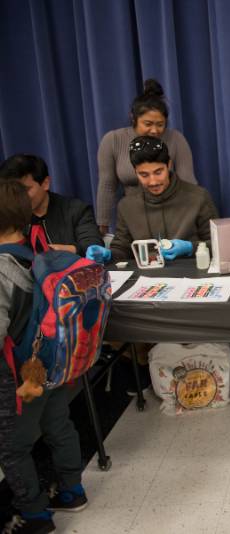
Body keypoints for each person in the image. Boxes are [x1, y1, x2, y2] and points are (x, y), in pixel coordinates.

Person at [1, 181, 86, 534]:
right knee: (58, 425)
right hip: (53, 363)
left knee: (14, 448)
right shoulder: (36, 252)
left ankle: (34, 514)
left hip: (20, 379)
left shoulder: (1, 269)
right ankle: (72, 490)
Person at [86, 135, 218, 263]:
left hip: (194, 274)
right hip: (147, 278)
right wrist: (109, 255)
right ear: (135, 171)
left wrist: (191, 248)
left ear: (169, 165)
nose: (153, 181)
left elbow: (219, 244)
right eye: (144, 175)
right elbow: (122, 248)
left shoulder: (198, 197)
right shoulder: (127, 206)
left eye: (158, 172)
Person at [96, 78, 197, 235]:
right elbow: (107, 185)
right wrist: (102, 226)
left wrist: (194, 219)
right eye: (148, 124)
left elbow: (189, 182)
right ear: (133, 118)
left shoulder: (176, 139)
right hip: (133, 217)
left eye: (160, 124)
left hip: (173, 215)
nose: (155, 131)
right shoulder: (113, 140)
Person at [0, 154, 103, 255]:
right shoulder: (8, 215)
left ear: (45, 183)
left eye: (25, 190)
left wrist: (69, 250)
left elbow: (93, 246)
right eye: (13, 191)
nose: (19, 196)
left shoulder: (76, 210)